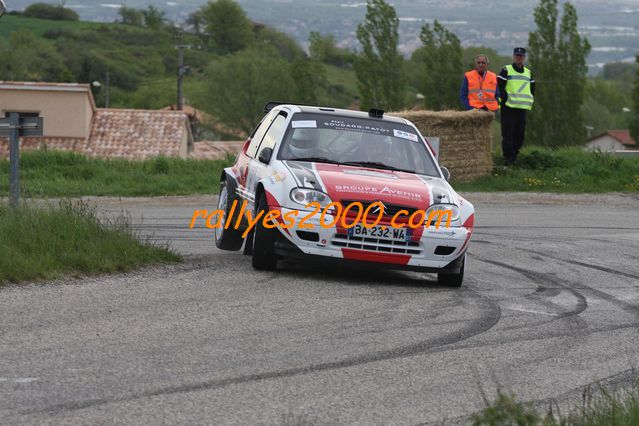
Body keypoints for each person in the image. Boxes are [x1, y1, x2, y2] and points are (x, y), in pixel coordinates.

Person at [498, 47, 535, 165]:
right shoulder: (506, 70)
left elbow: (533, 88)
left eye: (521, 56)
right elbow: (499, 86)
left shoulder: (528, 72)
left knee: (519, 136)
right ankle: (507, 160)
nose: (518, 58)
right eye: (517, 56)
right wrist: (506, 100)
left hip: (522, 109)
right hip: (509, 108)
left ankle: (514, 157)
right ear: (513, 57)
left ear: (524, 58)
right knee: (508, 135)